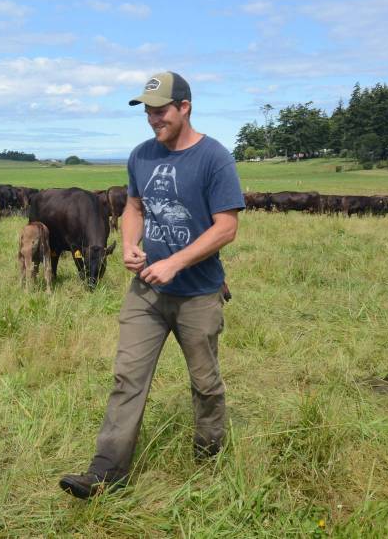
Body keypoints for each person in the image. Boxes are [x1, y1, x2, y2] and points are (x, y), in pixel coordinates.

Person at [60, 71, 245, 499]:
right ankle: (106, 472)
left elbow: (227, 227)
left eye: (160, 111)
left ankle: (210, 455)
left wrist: (175, 263)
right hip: (146, 291)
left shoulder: (215, 158)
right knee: (127, 377)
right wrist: (129, 243)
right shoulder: (141, 156)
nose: (153, 119)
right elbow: (134, 208)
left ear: (185, 107)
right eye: (147, 111)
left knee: (205, 382)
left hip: (198, 293)